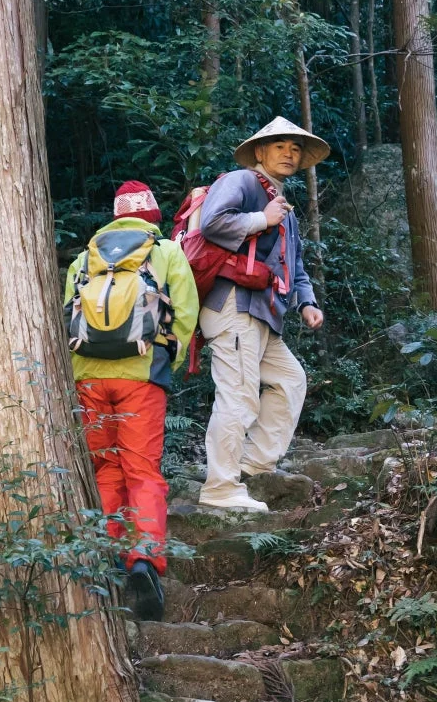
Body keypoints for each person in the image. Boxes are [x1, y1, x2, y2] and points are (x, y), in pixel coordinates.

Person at [64, 180, 200, 620]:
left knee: (105, 467)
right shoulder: (165, 252)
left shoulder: (85, 259)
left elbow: (68, 313)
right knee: (141, 471)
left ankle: (105, 555)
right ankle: (143, 560)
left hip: (88, 377)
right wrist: (167, 362)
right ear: (152, 218)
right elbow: (185, 313)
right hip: (140, 376)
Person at [195, 117, 326, 512]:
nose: (290, 153)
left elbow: (295, 264)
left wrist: (307, 302)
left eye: (296, 148)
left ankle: (252, 466)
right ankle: (220, 487)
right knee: (238, 398)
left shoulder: (285, 209)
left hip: (264, 314)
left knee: (290, 381)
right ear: (260, 152)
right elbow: (212, 221)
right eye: (280, 145)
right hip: (233, 305)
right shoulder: (241, 181)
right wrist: (260, 219)